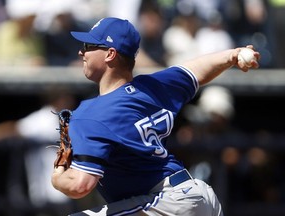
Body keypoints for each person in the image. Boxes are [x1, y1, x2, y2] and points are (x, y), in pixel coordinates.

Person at [51, 17, 260, 216]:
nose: (81, 52)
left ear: (110, 54)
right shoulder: (151, 88)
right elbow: (195, 71)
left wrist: (58, 175)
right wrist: (231, 55)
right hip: (198, 197)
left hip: (168, 202)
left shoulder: (91, 114)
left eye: (88, 46)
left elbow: (80, 185)